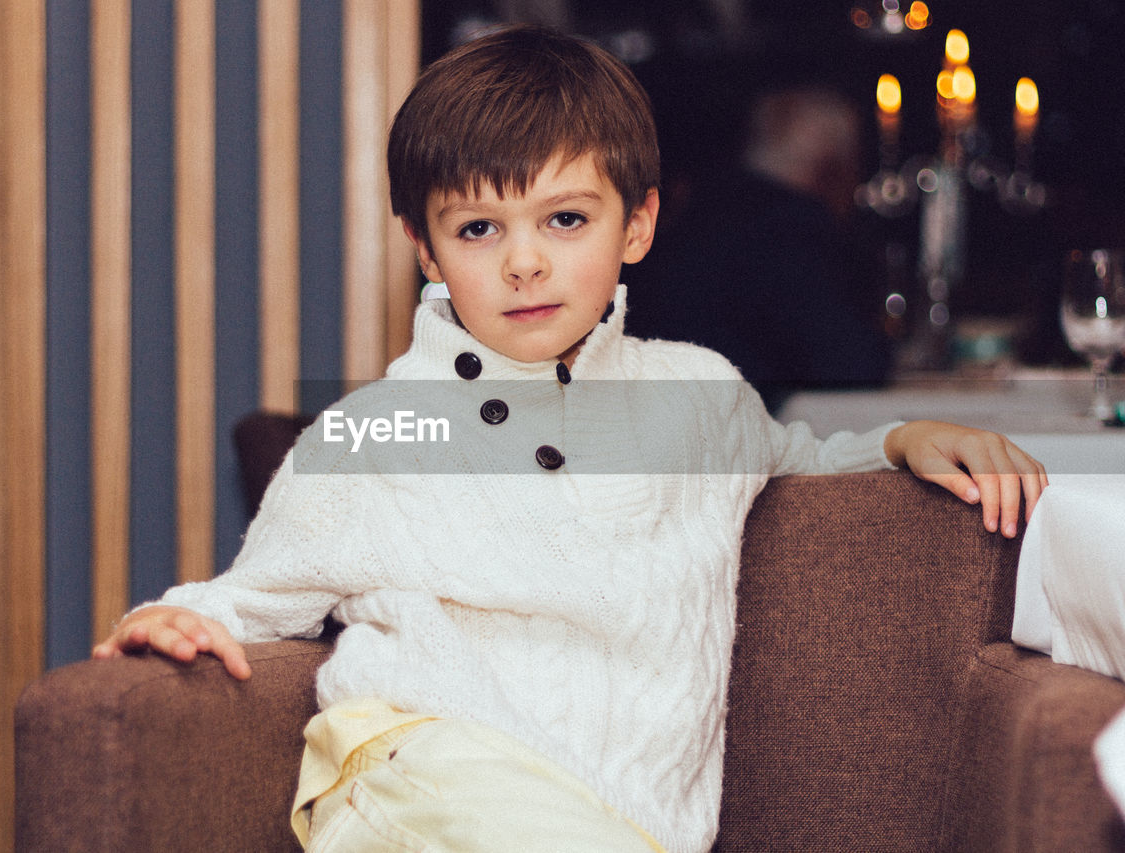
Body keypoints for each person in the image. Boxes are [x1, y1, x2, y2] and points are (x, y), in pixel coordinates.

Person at [93, 26, 1046, 853]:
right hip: (420, 785)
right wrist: (178, 619)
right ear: (426, 250)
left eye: (565, 218)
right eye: (477, 227)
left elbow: (797, 458)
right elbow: (245, 598)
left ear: (637, 223)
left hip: (622, 826)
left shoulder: (698, 397)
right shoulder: (381, 430)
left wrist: (905, 437)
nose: (524, 260)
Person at [626, 85, 893, 414]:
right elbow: (850, 365)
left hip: (654, 415)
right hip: (729, 436)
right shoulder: (789, 228)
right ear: (831, 167)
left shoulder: (694, 211)